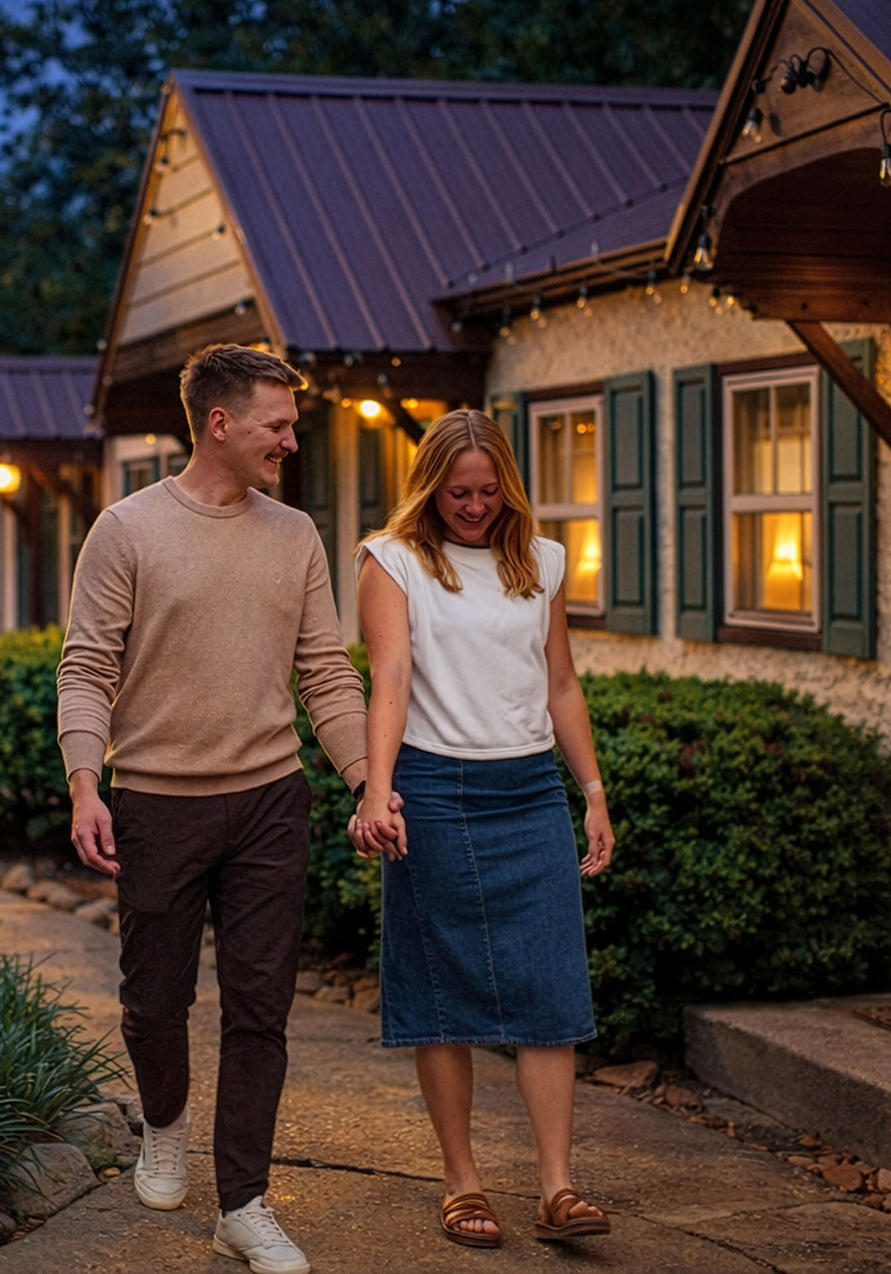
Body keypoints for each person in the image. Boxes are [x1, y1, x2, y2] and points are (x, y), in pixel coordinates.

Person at [57, 343, 386, 1274]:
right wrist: (88, 780)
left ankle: (243, 1200)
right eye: (278, 424)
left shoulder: (296, 534)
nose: (292, 438)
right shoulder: (126, 530)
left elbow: (325, 670)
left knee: (261, 1010)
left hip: (270, 802)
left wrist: (364, 775)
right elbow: (87, 666)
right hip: (156, 802)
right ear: (220, 423)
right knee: (154, 1001)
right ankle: (165, 1123)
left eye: (293, 423)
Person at [350, 408, 615, 1250]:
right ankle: (462, 1182)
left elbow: (561, 681)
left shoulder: (543, 560)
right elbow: (388, 674)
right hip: (432, 789)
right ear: (431, 488)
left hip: (530, 789)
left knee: (550, 990)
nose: (473, 506)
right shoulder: (391, 561)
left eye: (488, 490)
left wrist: (593, 791)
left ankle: (558, 1186)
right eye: (457, 492)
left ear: (509, 484)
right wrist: (379, 790)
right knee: (442, 995)